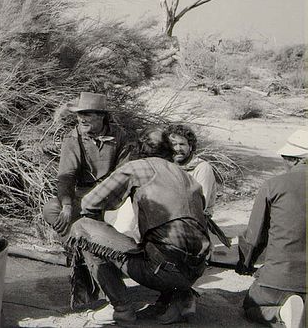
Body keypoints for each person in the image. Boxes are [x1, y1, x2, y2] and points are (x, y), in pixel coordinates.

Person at [68, 127, 210, 325]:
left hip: (163, 270)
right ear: (170, 150)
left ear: (140, 149)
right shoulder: (186, 176)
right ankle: (180, 299)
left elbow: (89, 203)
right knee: (163, 241)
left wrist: (102, 242)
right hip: (196, 269)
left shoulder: (137, 167)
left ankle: (121, 308)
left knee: (82, 228)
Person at [236, 129, 306, 328]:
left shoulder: (274, 185)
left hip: (279, 280)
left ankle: (281, 314)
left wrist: (246, 264)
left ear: (293, 159)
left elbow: (254, 236)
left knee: (251, 307)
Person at [42, 92, 131, 238]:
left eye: (87, 115)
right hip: (83, 195)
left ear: (101, 116)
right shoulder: (72, 138)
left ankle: (101, 242)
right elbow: (66, 176)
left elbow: (124, 171)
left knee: (128, 219)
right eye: (79, 114)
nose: (81, 119)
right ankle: (81, 243)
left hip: (112, 195)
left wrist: (106, 196)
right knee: (51, 210)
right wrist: (67, 205)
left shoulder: (119, 136)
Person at [165, 124, 217, 216]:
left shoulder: (202, 168)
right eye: (173, 145)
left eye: (182, 144)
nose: (178, 149)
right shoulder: (167, 166)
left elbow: (200, 205)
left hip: (194, 220)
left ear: (191, 146)